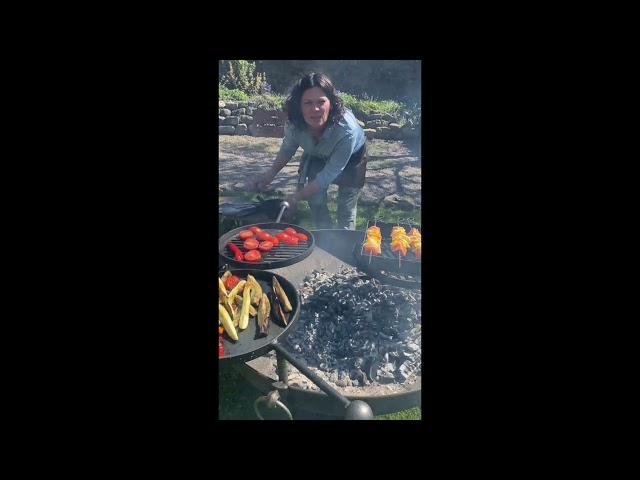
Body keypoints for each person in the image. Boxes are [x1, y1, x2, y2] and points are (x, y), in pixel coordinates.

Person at [247, 73, 367, 230]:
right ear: (299, 106)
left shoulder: (346, 132)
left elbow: (327, 175)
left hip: (353, 159)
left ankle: (345, 244)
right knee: (315, 200)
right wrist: (270, 174)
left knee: (346, 207)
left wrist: (295, 198)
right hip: (317, 154)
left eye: (321, 102)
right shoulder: (294, 123)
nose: (315, 109)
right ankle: (325, 237)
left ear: (331, 103)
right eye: (308, 103)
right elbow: (288, 148)